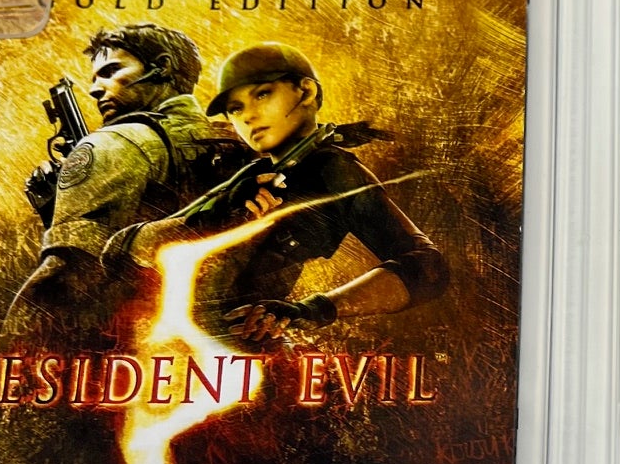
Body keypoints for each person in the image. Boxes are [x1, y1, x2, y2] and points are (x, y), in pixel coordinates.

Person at [106, 42, 447, 346]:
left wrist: (313, 310)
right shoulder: (250, 174)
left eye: (262, 94)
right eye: (235, 108)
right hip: (169, 354)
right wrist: (220, 213)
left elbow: (428, 269)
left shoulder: (333, 170)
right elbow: (121, 251)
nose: (248, 116)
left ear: (306, 92)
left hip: (240, 359)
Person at [9, 24, 242, 327]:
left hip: (131, 339)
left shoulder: (112, 143)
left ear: (162, 67)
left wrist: (9, 348)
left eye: (110, 71)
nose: (94, 89)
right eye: (94, 78)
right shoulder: (243, 142)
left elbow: (63, 280)